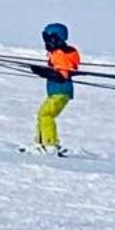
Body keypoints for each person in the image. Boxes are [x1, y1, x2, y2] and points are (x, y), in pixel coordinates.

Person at [32, 21, 81, 151]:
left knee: (45, 115)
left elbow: (62, 75)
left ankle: (49, 144)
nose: (46, 43)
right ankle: (41, 143)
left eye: (48, 39)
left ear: (56, 38)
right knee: (42, 114)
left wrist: (44, 72)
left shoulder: (60, 54)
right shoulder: (57, 53)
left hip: (61, 91)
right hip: (56, 92)